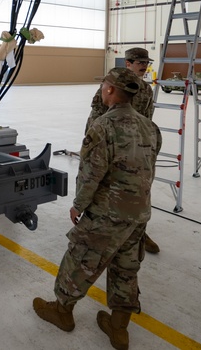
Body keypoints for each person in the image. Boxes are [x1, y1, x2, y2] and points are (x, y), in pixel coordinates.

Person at [33, 67, 161, 350]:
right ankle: (118, 329)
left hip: (107, 214)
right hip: (138, 215)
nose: (102, 89)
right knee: (126, 269)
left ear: (112, 90)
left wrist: (78, 205)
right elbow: (149, 170)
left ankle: (62, 311)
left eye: (104, 85)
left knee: (80, 261)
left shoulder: (103, 126)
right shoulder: (149, 127)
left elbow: (92, 174)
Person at [85, 47, 161, 255]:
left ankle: (139, 233)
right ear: (128, 63)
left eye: (147, 63)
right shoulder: (111, 85)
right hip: (111, 147)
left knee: (139, 192)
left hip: (137, 150)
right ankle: (97, 230)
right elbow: (96, 116)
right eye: (140, 63)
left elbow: (147, 119)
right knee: (104, 188)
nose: (144, 67)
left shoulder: (145, 90)